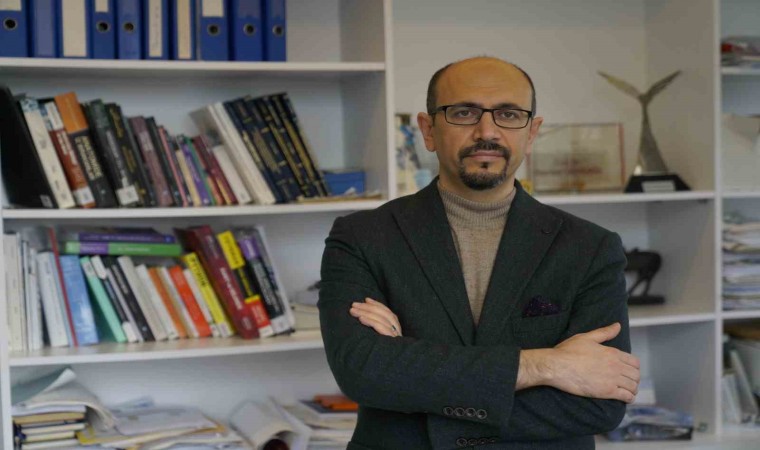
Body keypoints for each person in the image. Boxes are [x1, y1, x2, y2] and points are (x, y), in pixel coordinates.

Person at [318, 56, 640, 450]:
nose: (487, 132)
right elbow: (362, 372)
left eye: (509, 114)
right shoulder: (361, 237)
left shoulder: (591, 247)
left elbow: (601, 403)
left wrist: (412, 378)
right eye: (463, 112)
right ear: (428, 130)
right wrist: (545, 365)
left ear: (532, 132)